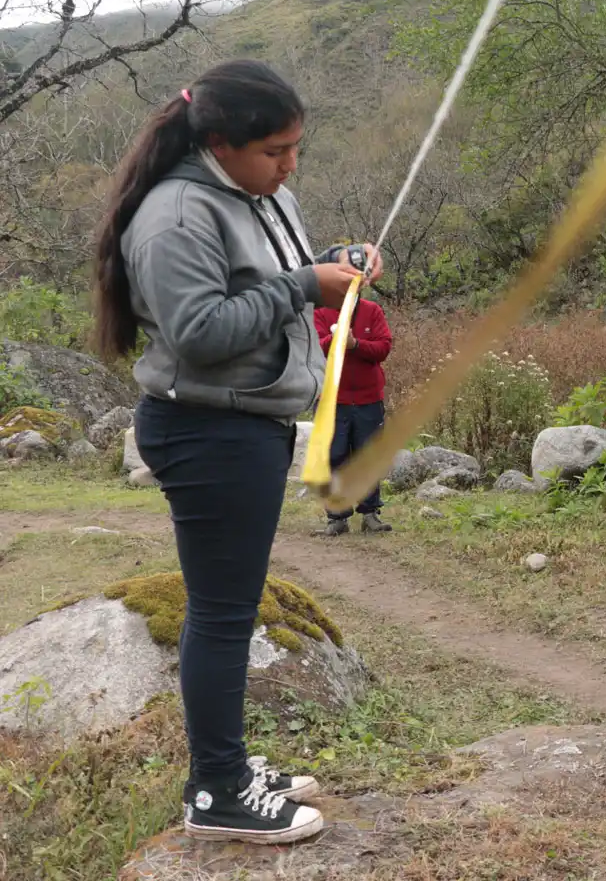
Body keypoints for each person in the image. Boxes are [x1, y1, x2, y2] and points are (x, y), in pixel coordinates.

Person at [92, 59, 383, 845]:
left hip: (248, 426)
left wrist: (337, 262)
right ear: (219, 143)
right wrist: (303, 287)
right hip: (207, 433)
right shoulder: (176, 215)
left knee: (229, 608)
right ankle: (217, 791)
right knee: (222, 617)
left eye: (297, 148)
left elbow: (271, 272)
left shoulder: (258, 193)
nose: (290, 166)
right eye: (274, 151)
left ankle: (223, 765)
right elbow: (202, 332)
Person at [313, 294, 393, 534]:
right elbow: (313, 349)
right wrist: (336, 340)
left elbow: (383, 347)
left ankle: (370, 515)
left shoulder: (372, 311)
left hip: (368, 399)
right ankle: (337, 518)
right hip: (330, 400)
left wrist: (355, 345)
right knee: (333, 456)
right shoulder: (320, 312)